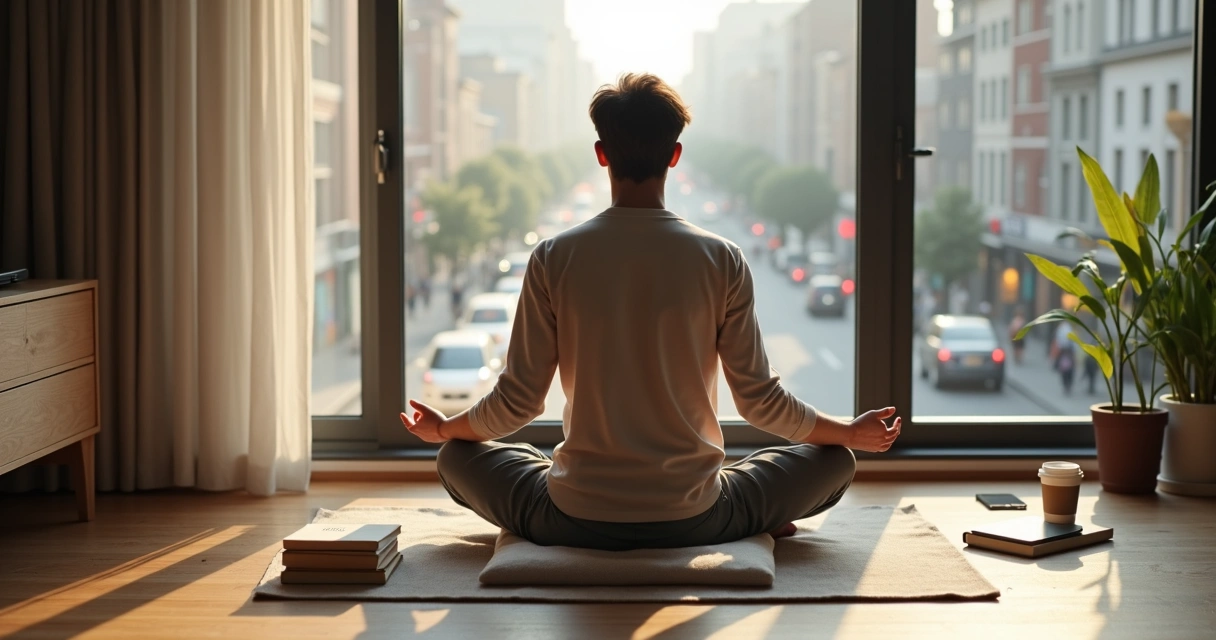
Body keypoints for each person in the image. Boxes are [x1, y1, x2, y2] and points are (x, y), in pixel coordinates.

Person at [400, 74, 901, 552]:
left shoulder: (553, 257)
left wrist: (445, 430)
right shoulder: (721, 257)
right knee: (835, 462)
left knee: (456, 458)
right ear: (675, 155)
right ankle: (747, 519)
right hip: (696, 515)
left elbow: (518, 404)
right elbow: (761, 404)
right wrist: (849, 433)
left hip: (572, 516)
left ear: (601, 154)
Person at [1052, 321, 1077, 395]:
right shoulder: (1070, 330)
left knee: (1063, 369)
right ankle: (1068, 385)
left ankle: (1066, 385)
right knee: (1070, 370)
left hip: (1063, 352)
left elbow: (1058, 341)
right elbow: (1074, 342)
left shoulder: (1060, 329)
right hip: (1069, 352)